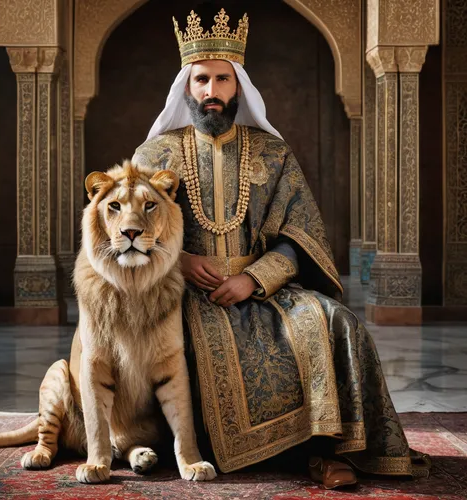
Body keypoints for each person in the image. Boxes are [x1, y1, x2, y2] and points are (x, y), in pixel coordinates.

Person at [133, 8, 430, 489]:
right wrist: (178, 260)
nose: (211, 91)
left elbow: (302, 235)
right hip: (180, 294)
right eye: (202, 79)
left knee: (335, 321)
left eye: (222, 80)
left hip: (262, 289)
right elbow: (129, 232)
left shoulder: (274, 154)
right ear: (186, 87)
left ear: (239, 86)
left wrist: (253, 279)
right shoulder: (154, 155)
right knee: (185, 348)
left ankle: (325, 452)